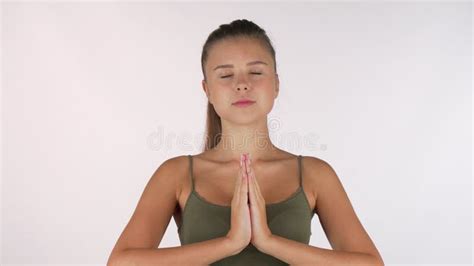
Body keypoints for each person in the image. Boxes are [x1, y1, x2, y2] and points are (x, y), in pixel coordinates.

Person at [107, 19, 384, 266]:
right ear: (208, 90)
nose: (241, 84)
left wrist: (268, 241)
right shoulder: (176, 174)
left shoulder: (314, 174)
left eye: (256, 72)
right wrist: (229, 243)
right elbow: (121, 262)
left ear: (276, 84)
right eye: (226, 75)